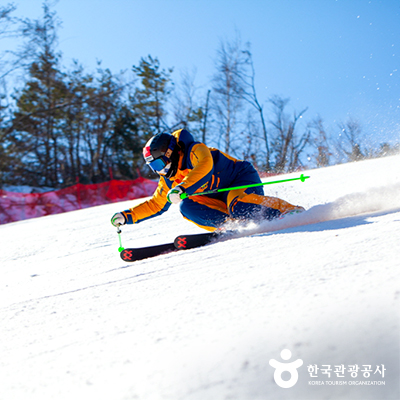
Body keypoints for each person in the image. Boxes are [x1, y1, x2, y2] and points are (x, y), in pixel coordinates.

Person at [111, 129, 304, 232]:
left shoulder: (194, 150)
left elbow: (205, 167)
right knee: (186, 207)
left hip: (239, 179)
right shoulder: (169, 179)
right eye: (154, 168)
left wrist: (182, 187)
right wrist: (127, 216)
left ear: (171, 152)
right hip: (216, 198)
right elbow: (155, 204)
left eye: (160, 163)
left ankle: (289, 211)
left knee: (238, 205)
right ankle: (231, 226)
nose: (160, 171)